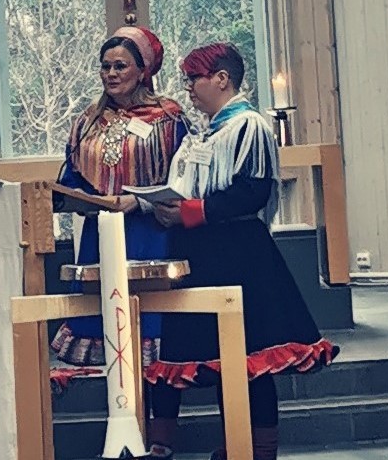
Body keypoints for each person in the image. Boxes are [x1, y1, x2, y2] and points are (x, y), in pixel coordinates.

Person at [145, 43, 339, 460]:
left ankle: (256, 450)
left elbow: (252, 192)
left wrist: (188, 213)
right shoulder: (206, 132)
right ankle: (163, 446)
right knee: (192, 355)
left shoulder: (249, 125)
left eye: (195, 78)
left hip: (237, 255)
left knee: (248, 360)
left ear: (221, 79)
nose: (189, 88)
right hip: (199, 255)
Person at [51, 26, 189, 367]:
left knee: (146, 315)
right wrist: (80, 199)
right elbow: (71, 174)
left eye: (120, 66)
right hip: (101, 231)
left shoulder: (168, 118)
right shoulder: (88, 120)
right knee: (104, 313)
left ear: (143, 70)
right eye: (105, 66)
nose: (111, 74)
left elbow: (186, 178)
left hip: (150, 232)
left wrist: (141, 202)